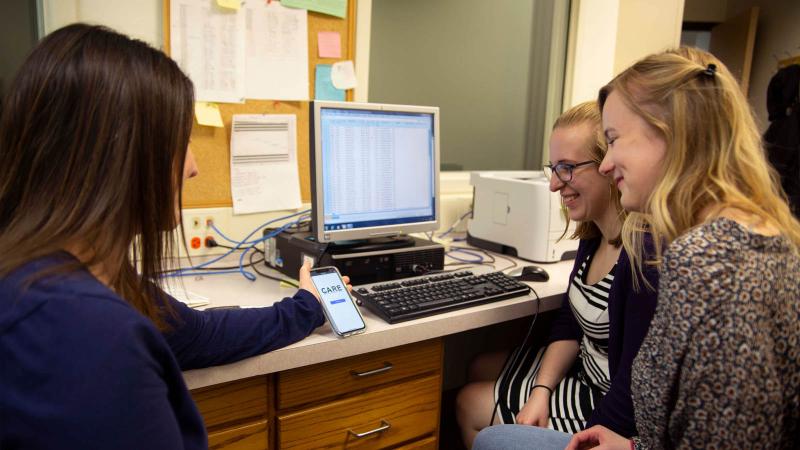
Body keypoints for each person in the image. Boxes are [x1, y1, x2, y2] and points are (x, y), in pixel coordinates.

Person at [0, 24, 341, 449]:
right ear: (121, 156)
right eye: (180, 141)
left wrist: (306, 307)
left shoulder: (76, 278)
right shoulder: (89, 335)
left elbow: (198, 333)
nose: (193, 166)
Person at [566, 47, 800, 449]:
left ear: (672, 134)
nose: (606, 164)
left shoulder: (713, 265)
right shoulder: (751, 238)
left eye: (614, 140)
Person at [461, 101, 658, 449]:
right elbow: (569, 322)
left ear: (608, 166)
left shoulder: (642, 256)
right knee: (477, 364)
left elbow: (632, 386)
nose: (554, 185)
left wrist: (584, 439)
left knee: (469, 401)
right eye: (553, 168)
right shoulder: (592, 232)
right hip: (587, 369)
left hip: (610, 405)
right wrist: (541, 390)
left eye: (567, 168)